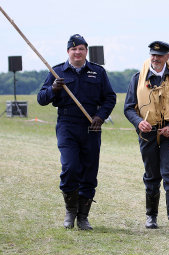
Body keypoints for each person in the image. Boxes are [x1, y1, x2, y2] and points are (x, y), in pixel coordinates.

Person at [37, 34, 116, 230]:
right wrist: (53, 89)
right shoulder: (56, 72)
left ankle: (83, 217)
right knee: (70, 167)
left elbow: (110, 97)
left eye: (81, 49)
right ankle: (70, 210)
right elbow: (41, 98)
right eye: (74, 49)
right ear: (68, 52)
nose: (77, 52)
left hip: (91, 126)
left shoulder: (97, 72)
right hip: (67, 125)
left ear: (86, 51)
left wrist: (101, 116)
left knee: (89, 172)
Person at [124, 41, 169, 232]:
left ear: (167, 57)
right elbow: (128, 108)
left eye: (160, 55)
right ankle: (151, 216)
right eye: (153, 54)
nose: (155, 58)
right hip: (147, 134)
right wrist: (138, 122)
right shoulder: (137, 78)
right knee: (152, 175)